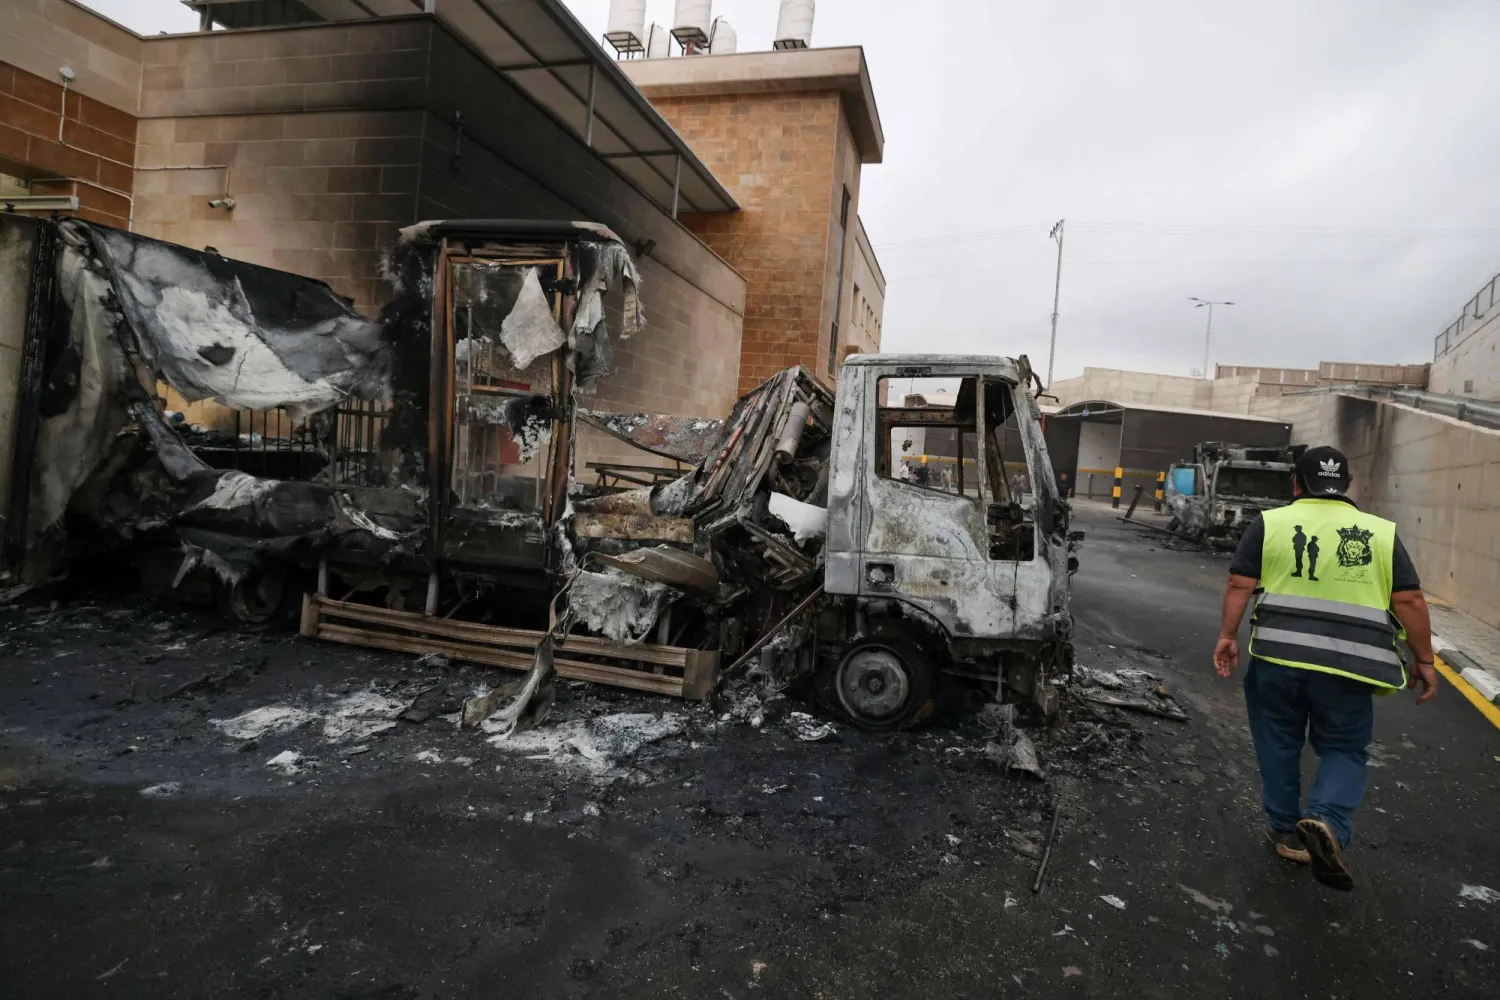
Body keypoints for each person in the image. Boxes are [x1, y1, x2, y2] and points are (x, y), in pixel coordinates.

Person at [1213, 445, 1437, 892]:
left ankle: (1283, 831)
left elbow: (1240, 582)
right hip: (1349, 667)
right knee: (1343, 747)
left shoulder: (1271, 523)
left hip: (1278, 658)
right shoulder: (1379, 532)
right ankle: (1326, 818)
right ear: (1348, 486)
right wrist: (1425, 660)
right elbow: (1408, 600)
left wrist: (1227, 637)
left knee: (1277, 740)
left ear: (1296, 483)